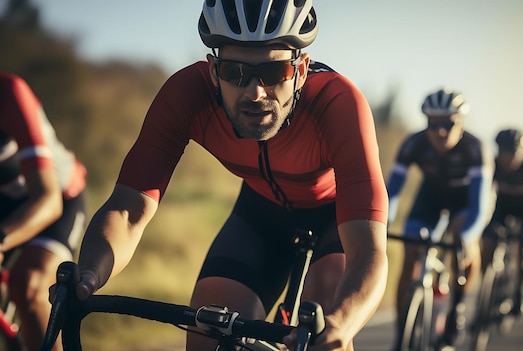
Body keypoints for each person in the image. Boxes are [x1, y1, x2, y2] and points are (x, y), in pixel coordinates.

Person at [69, 1, 388, 350]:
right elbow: (129, 209)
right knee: (210, 321)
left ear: (300, 70)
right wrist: (89, 275)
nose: (254, 92)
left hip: (334, 216)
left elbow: (368, 251)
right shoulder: (186, 96)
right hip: (260, 213)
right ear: (212, 71)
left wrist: (344, 322)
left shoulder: (338, 104)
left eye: (274, 72)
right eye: (235, 72)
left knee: (327, 305)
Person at [387, 88, 494, 349]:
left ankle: (456, 307)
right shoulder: (414, 143)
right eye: (433, 124)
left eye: (448, 124)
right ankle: (403, 328)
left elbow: (479, 207)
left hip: (466, 204)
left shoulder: (475, 148)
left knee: (464, 239)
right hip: (430, 201)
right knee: (410, 250)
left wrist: (468, 238)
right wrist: (383, 223)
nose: (440, 131)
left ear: (461, 123)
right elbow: (392, 192)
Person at [0, 72, 87, 351]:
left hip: (56, 197)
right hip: (6, 204)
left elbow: (49, 202)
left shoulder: (8, 93)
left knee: (29, 284)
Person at [479, 128, 523, 316]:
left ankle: (522, 289)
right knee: (487, 241)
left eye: (514, 152)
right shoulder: (492, 165)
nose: (509, 157)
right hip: (500, 208)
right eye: (504, 151)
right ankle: (484, 284)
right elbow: (482, 199)